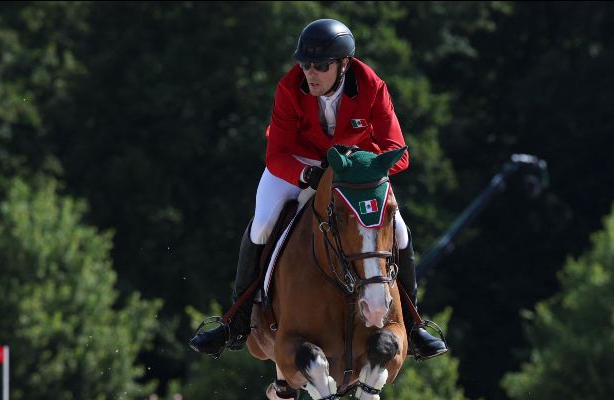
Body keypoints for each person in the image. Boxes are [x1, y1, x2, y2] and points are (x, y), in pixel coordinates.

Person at [189, 18, 448, 362]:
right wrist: (309, 174)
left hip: (354, 174)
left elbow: (397, 153)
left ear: (343, 65)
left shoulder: (371, 86)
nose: (310, 73)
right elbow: (276, 154)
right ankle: (235, 321)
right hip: (298, 165)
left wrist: (356, 165)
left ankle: (414, 328)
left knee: (399, 230)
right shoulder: (289, 87)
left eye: (321, 66)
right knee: (264, 222)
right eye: (305, 64)